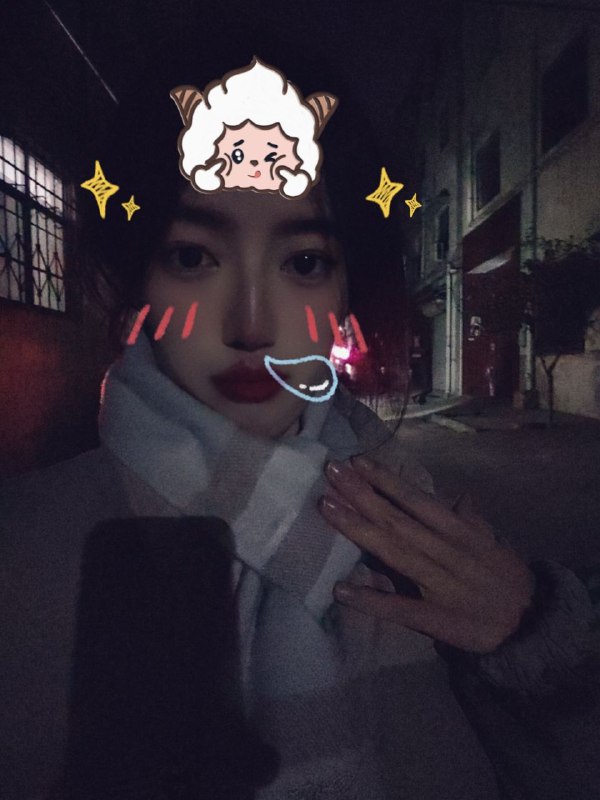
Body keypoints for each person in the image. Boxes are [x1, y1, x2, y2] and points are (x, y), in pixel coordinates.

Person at [1, 51, 599, 800]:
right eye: (193, 255)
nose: (252, 324)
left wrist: (531, 635)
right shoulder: (26, 555)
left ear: (345, 290)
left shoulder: (404, 510)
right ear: (132, 277)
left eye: (305, 263)